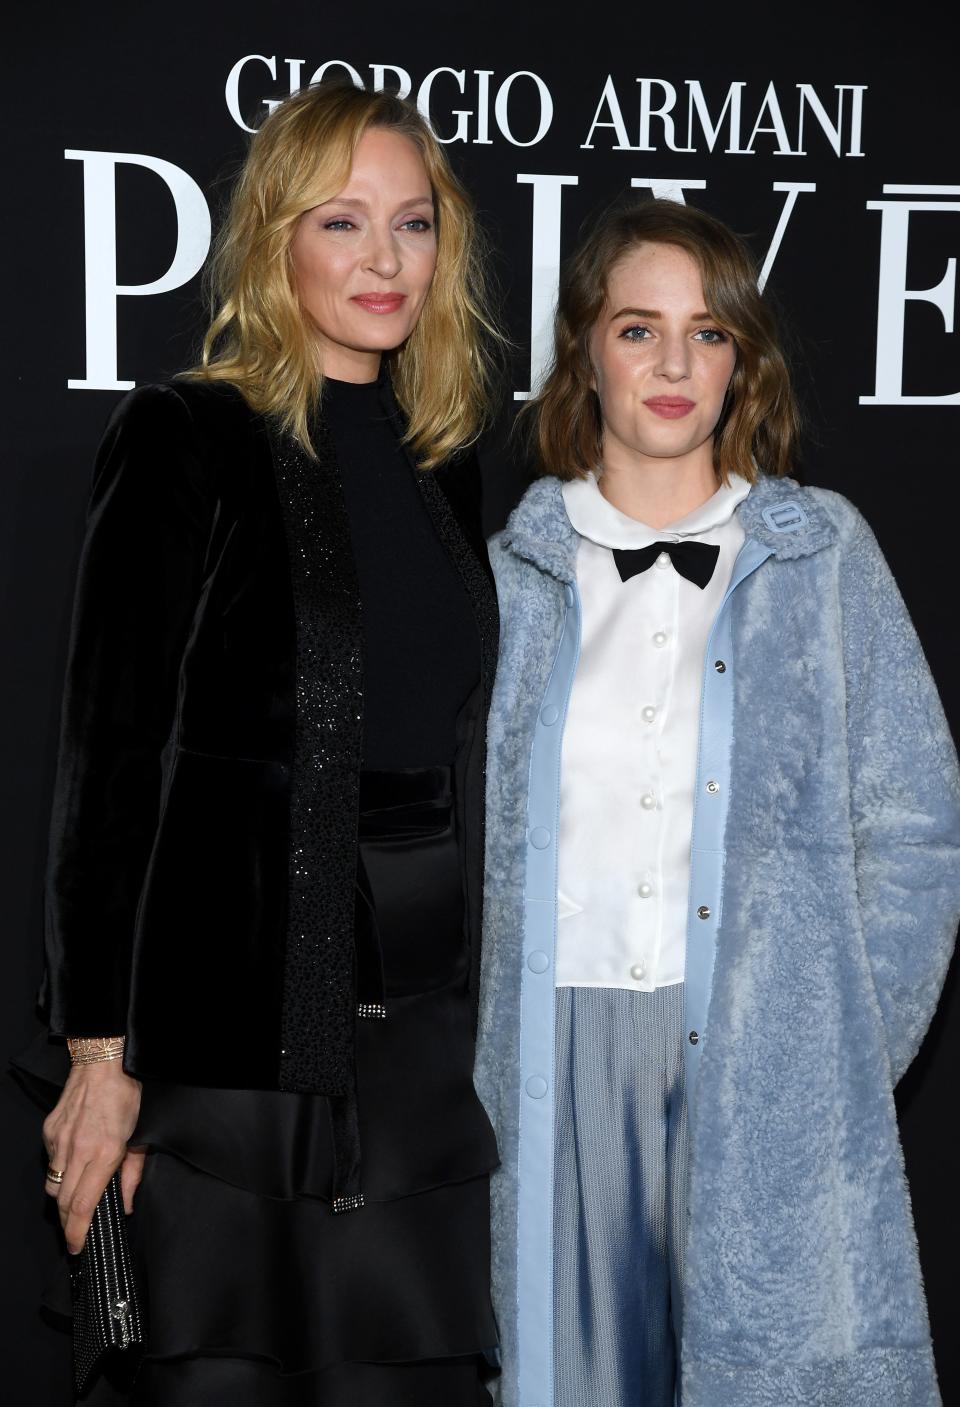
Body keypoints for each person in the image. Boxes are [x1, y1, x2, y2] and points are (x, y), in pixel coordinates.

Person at [29, 78, 502, 1406]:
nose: (382, 260)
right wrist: (101, 1053)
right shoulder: (186, 436)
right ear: (273, 241)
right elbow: (109, 762)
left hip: (419, 1045)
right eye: (341, 222)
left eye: (411, 226)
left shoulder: (448, 459)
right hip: (229, 1045)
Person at [475, 198, 960, 1407]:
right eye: (640, 329)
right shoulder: (509, 579)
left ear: (744, 356)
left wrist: (827, 1044)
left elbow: (913, 827)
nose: (676, 364)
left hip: (758, 1066)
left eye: (708, 331)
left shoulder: (821, 554)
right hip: (557, 1067)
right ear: (585, 349)